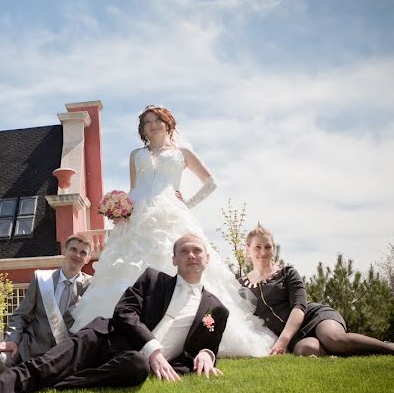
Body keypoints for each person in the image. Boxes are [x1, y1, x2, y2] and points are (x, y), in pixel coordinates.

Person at [0, 234, 228, 393]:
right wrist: (152, 347)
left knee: (136, 367)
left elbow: (203, 349)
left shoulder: (216, 310)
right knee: (41, 365)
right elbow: (124, 313)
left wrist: (206, 353)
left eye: (197, 250)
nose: (191, 255)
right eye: (184, 251)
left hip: (129, 361)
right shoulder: (153, 278)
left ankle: (56, 384)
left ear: (208, 257)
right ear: (174, 259)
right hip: (101, 339)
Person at [69, 105, 274, 356]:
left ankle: (183, 329)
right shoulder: (136, 155)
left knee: (178, 263)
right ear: (142, 129)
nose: (153, 124)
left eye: (158, 120)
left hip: (172, 213)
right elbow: (134, 188)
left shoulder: (182, 152)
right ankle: (125, 333)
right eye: (147, 122)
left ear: (168, 123)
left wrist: (186, 204)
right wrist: (121, 210)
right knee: (129, 270)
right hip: (138, 218)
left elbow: (211, 183)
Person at [241, 226, 394, 357]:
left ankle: (392, 349)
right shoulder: (242, 285)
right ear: (248, 250)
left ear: (273, 249)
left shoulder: (287, 272)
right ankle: (338, 353)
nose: (263, 252)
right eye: (257, 247)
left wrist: (282, 340)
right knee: (305, 350)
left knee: (333, 338)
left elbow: (299, 307)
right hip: (295, 338)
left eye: (268, 247)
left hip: (314, 318)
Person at [0, 234, 93, 390]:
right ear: (64, 250)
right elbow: (21, 314)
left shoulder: (92, 286)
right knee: (0, 360)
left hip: (61, 356)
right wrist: (12, 340)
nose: (77, 255)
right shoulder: (42, 279)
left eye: (83, 252)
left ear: (88, 258)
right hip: (28, 348)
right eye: (73, 249)